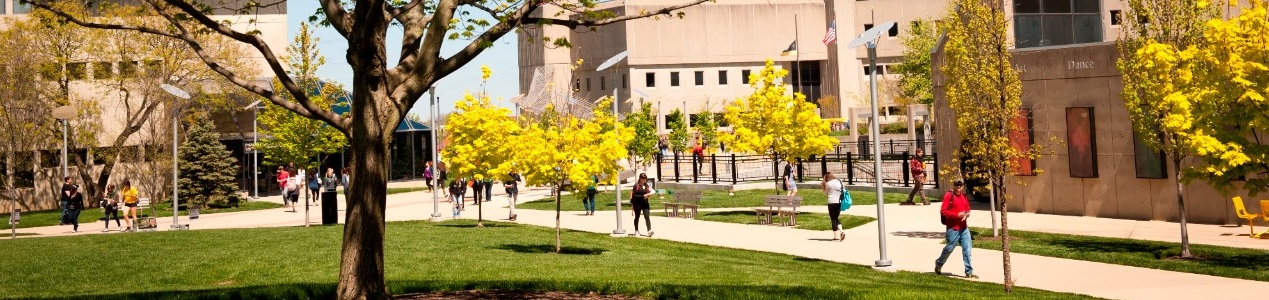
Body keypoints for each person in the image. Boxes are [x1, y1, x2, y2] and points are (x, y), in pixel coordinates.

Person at [935, 180, 977, 279]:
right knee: (949, 248)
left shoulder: (964, 196)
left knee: (967, 250)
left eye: (960, 185)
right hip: (953, 228)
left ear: (963, 186)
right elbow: (943, 211)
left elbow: (967, 208)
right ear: (954, 185)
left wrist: (967, 213)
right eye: (957, 185)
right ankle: (939, 263)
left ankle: (969, 272)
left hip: (964, 228)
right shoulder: (949, 196)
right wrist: (957, 215)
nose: (959, 187)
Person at [822, 172, 845, 241]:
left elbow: (825, 192)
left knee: (833, 219)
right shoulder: (840, 181)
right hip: (839, 202)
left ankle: (836, 236)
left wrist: (824, 186)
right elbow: (843, 189)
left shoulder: (828, 183)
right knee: (836, 218)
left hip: (831, 202)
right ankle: (841, 231)